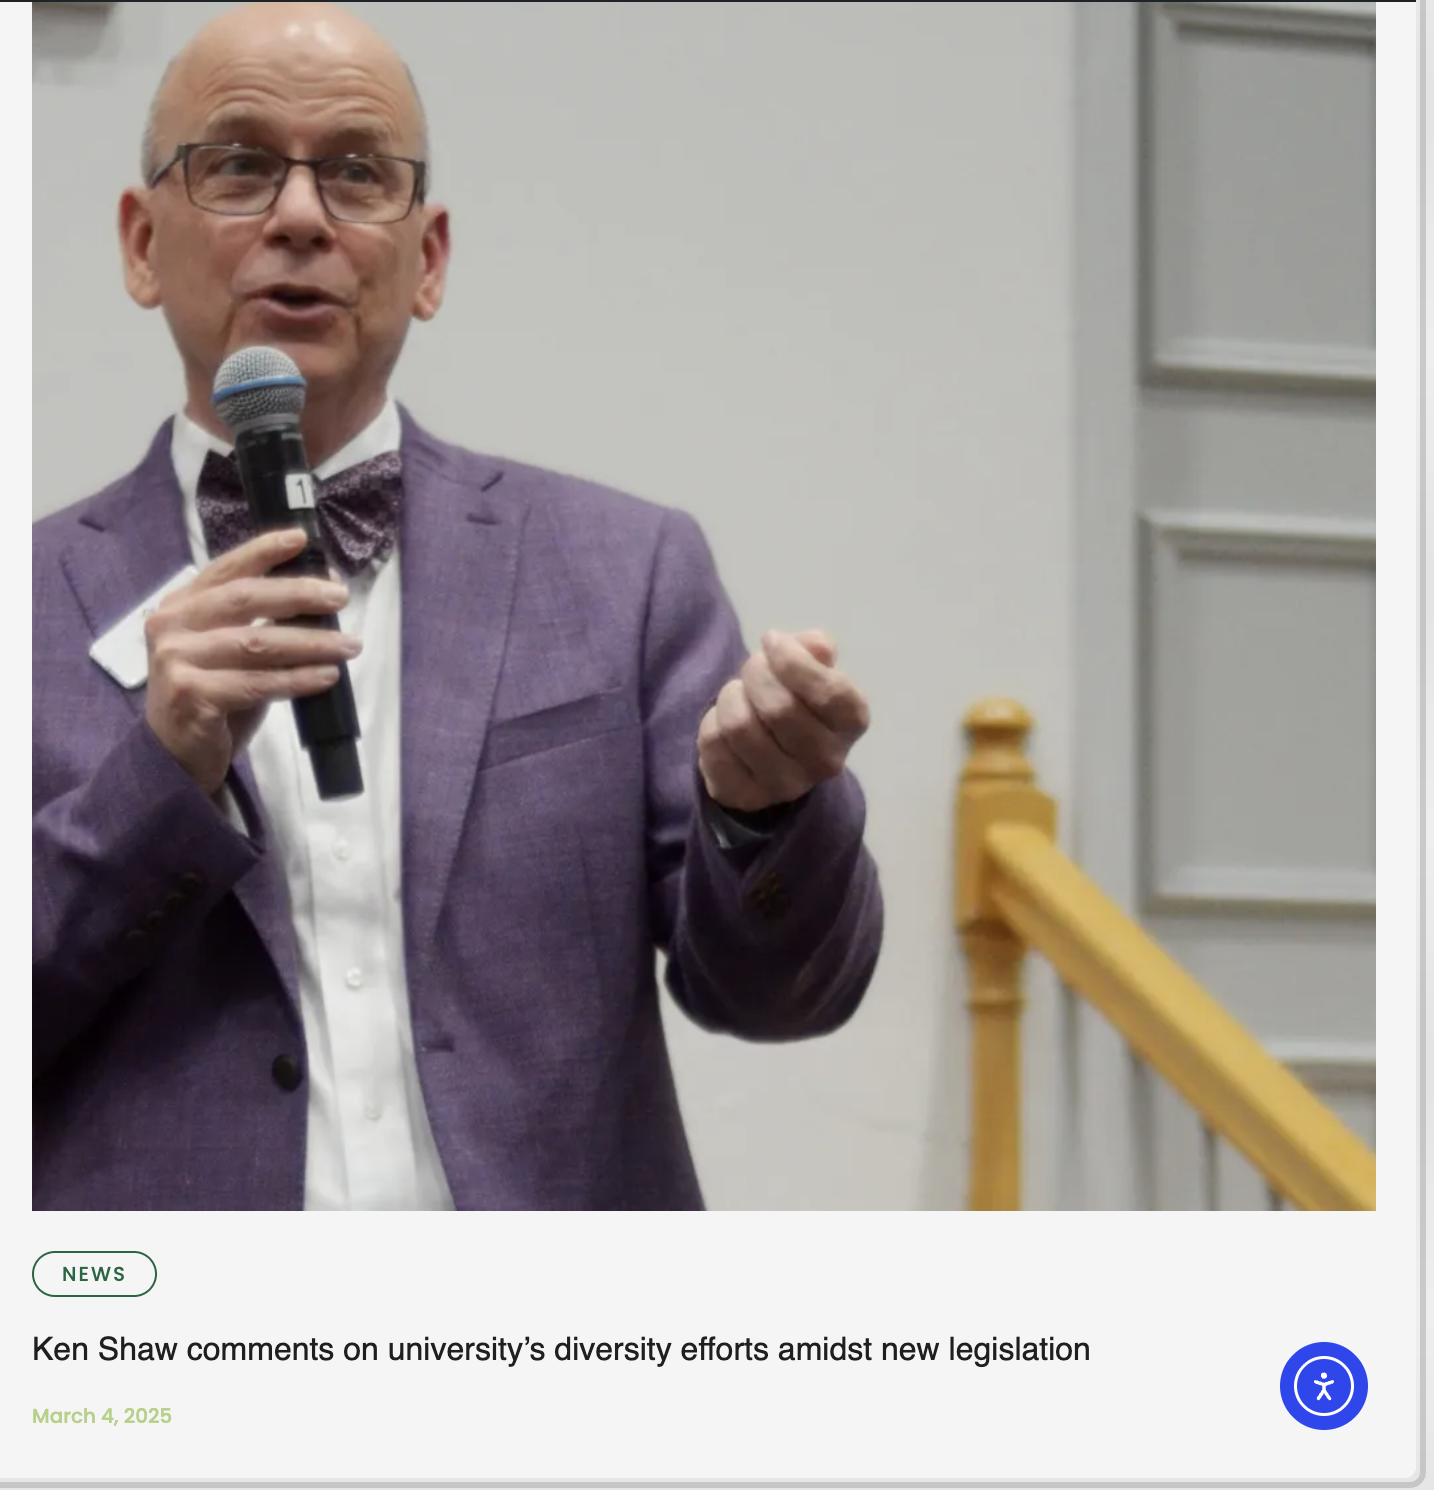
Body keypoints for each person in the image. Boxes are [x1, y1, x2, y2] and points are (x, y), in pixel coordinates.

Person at [32, 1, 884, 1210]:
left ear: (425, 259)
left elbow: (784, 994)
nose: (299, 218)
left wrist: (765, 814)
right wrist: (156, 782)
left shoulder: (622, 568)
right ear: (139, 242)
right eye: (237, 166)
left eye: (358, 174)